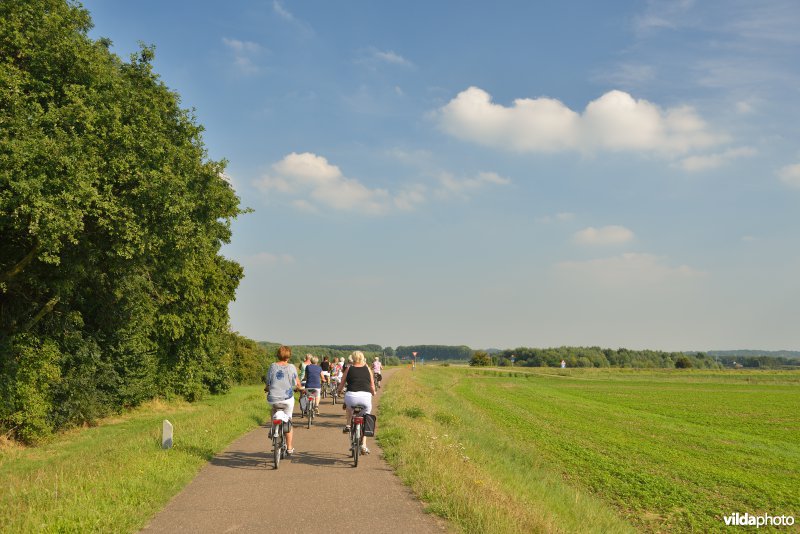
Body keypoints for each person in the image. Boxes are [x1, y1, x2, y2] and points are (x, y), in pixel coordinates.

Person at [265, 345, 302, 455]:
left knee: (273, 410)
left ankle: (273, 427)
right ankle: (289, 448)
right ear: (289, 356)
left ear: (278, 355)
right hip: (287, 399)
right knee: (288, 420)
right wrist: (300, 389)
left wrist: (267, 388)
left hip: (273, 399)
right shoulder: (291, 367)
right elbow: (297, 383)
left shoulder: (272, 366)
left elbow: (268, 382)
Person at [338, 351, 376, 454]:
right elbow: (372, 385)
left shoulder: (349, 368)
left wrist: (338, 392)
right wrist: (373, 392)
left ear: (352, 358)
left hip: (351, 396)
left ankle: (348, 425)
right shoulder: (368, 369)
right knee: (366, 417)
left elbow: (342, 383)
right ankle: (363, 444)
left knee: (349, 408)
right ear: (363, 358)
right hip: (365, 397)